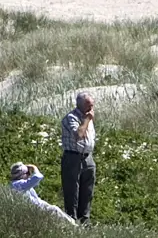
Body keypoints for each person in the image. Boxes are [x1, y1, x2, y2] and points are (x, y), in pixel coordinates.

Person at [58, 93, 97, 224]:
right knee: (72, 190)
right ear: (80, 104)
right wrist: (86, 120)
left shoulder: (89, 117)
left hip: (87, 157)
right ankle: (72, 219)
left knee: (88, 190)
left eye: (92, 105)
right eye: (88, 105)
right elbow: (79, 135)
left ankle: (84, 220)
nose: (91, 108)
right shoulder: (71, 118)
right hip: (73, 157)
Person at [7, 163, 75, 223]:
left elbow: (37, 199)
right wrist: (34, 168)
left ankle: (73, 224)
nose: (29, 175)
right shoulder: (18, 184)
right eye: (28, 173)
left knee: (55, 209)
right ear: (22, 175)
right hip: (33, 210)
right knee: (55, 210)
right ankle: (74, 226)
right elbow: (37, 177)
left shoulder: (18, 184)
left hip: (35, 208)